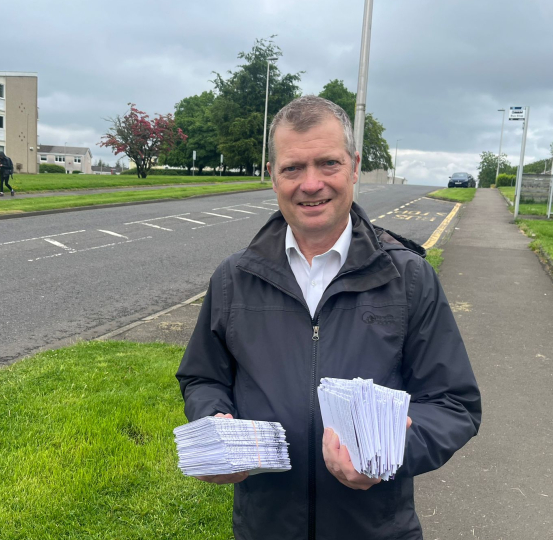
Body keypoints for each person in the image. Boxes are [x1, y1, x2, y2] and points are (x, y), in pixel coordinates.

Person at [176, 96, 481, 540]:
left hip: (376, 529)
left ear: (354, 167)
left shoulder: (408, 278)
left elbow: (454, 404)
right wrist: (218, 427)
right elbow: (203, 378)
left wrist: (395, 450)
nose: (311, 183)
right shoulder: (233, 280)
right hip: (266, 528)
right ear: (273, 176)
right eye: (293, 168)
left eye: (328, 164)